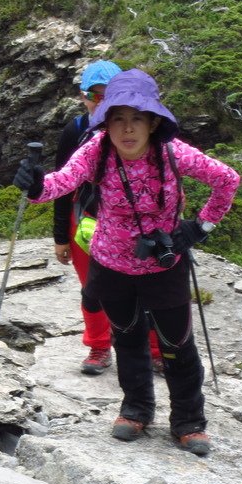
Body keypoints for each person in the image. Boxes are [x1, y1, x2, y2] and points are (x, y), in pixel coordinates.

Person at [13, 69, 241, 456]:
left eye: (137, 118)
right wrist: (35, 184)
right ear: (107, 121)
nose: (127, 129)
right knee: (128, 339)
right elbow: (60, 184)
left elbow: (227, 179)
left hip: (163, 265)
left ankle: (189, 421)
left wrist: (200, 227)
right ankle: (136, 410)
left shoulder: (172, 153)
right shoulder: (96, 150)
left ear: (154, 122)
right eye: (118, 118)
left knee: (176, 344)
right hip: (111, 264)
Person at [52, 60, 163, 376]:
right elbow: (62, 184)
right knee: (93, 288)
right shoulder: (75, 131)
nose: (100, 102)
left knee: (147, 288)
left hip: (136, 223)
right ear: (83, 96)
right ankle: (99, 347)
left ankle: (156, 350)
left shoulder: (142, 128)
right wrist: (61, 237)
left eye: (108, 94)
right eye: (94, 95)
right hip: (86, 220)